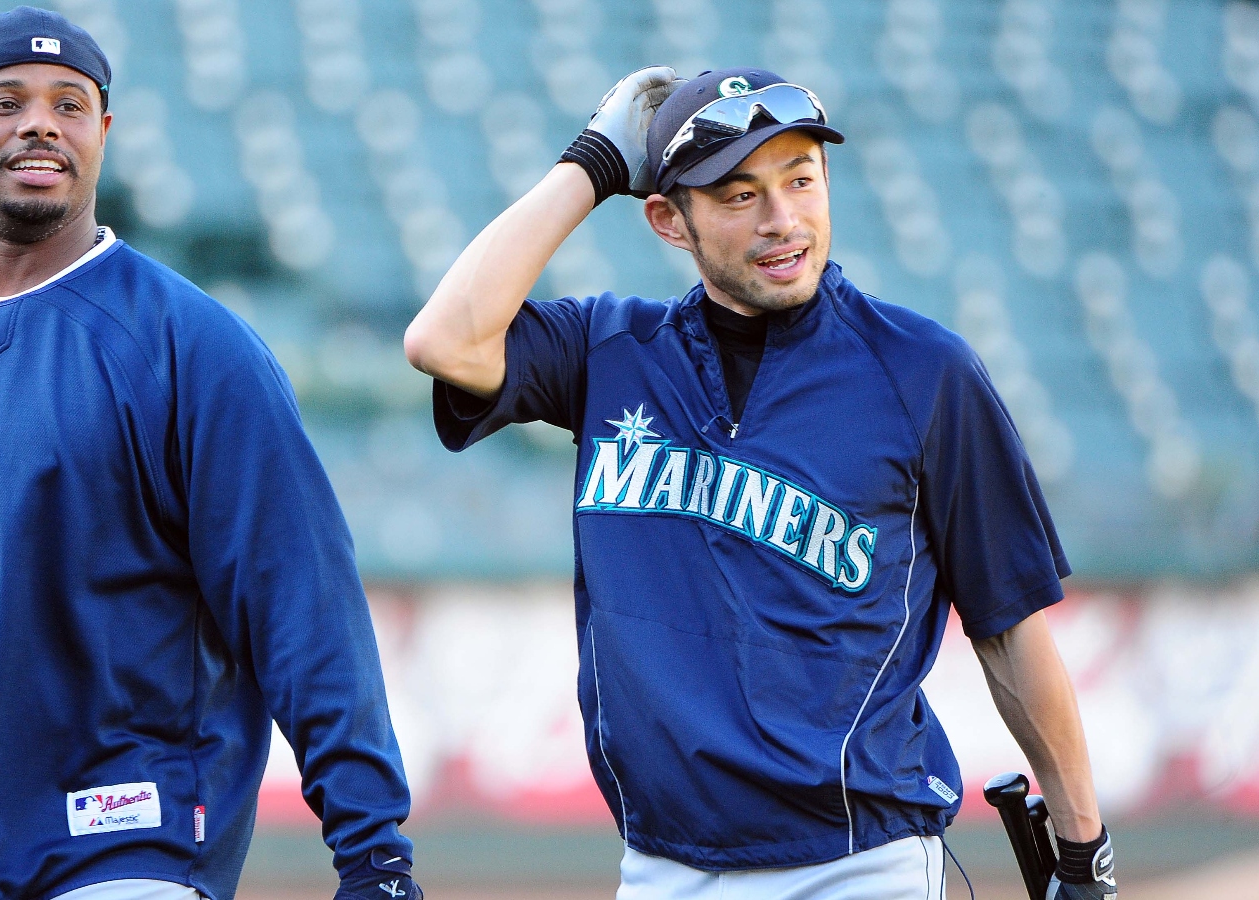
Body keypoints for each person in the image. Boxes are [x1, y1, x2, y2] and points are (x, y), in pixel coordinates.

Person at [403, 65, 1118, 899]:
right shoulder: (610, 352)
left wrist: (1083, 850)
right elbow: (442, 342)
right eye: (739, 195)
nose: (782, 220)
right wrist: (592, 164)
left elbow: (1009, 624)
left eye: (801, 180)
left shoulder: (924, 372)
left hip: (859, 864)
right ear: (670, 221)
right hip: (662, 866)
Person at [0, 8, 421, 900]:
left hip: (122, 844)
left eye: (70, 104)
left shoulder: (190, 344)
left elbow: (300, 598)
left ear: (104, 133)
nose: (41, 124)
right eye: (6, 102)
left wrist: (373, 845)